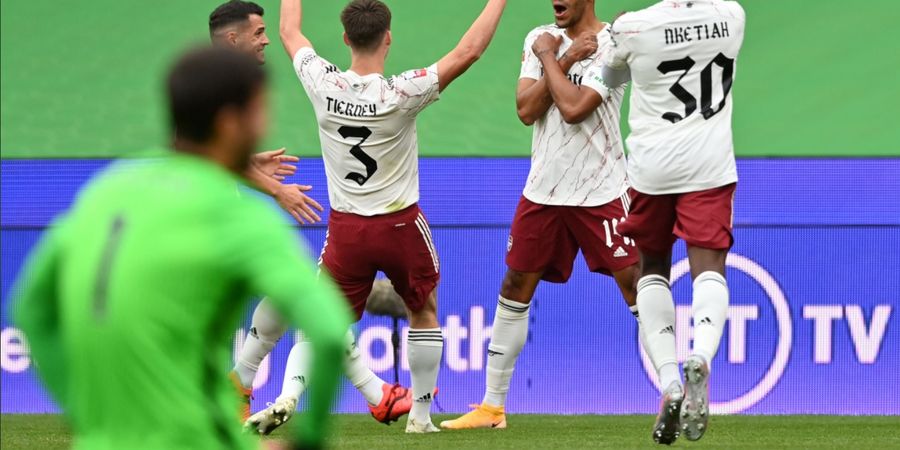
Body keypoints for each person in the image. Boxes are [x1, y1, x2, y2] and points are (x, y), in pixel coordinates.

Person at [12, 47, 352, 450]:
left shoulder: (108, 190)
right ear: (229, 123)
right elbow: (329, 331)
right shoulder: (236, 215)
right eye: (261, 112)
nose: (265, 124)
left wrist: (80, 406)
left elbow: (30, 306)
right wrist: (308, 440)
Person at [245, 0, 508, 435]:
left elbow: (290, 31)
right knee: (423, 309)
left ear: (346, 38)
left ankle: (288, 395)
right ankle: (420, 420)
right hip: (400, 224)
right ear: (388, 37)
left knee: (320, 321)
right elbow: (468, 52)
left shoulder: (322, 83)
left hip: (347, 229)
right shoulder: (401, 92)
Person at [441, 0, 647, 431]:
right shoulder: (540, 40)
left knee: (638, 283)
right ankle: (492, 408)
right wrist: (562, 56)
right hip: (544, 190)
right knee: (516, 284)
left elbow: (575, 109)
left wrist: (552, 57)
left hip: (602, 188)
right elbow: (525, 110)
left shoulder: (613, 42)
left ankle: (675, 392)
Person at [583, 0, 746, 444]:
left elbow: (610, 77)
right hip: (709, 166)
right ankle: (703, 355)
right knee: (709, 268)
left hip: (652, 169)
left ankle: (670, 380)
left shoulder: (633, 27)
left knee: (651, 269)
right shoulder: (733, 15)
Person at [208, 1, 336, 423]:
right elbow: (201, 157)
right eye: (259, 32)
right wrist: (278, 191)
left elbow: (214, 155)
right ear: (233, 38)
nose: (266, 40)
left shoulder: (226, 80)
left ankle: (235, 386)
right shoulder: (214, 82)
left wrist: (248, 162)